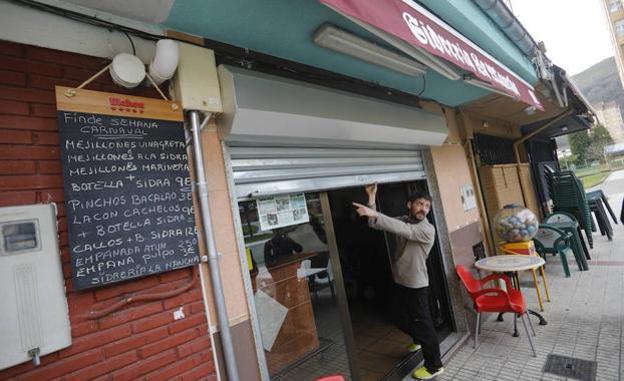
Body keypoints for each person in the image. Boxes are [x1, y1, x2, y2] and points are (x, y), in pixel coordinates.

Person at [352, 184, 444, 380]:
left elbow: (403, 230)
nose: (424, 209)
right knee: (397, 315)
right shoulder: (405, 219)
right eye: (420, 204)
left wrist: (371, 211)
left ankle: (434, 365)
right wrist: (371, 198)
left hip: (417, 284)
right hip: (401, 280)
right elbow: (376, 223)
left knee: (423, 324)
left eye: (427, 206)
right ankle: (418, 339)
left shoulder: (427, 229)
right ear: (409, 204)